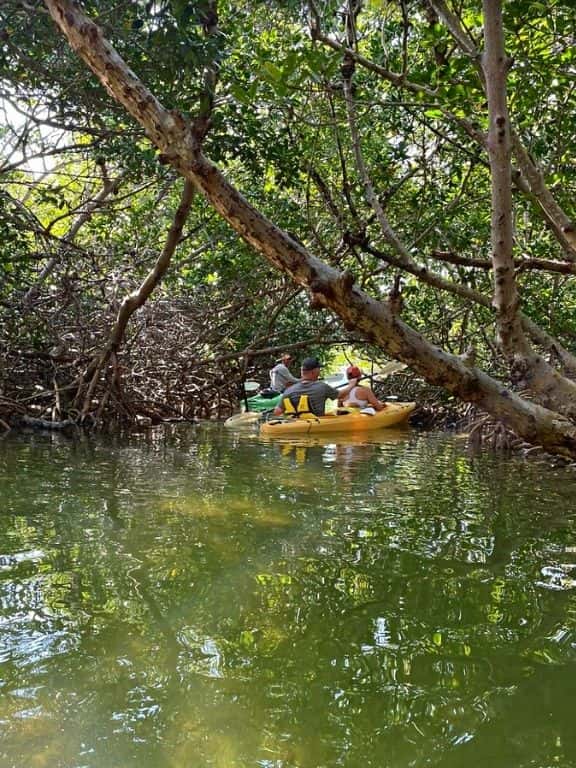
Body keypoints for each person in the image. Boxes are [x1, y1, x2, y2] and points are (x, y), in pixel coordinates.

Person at [273, 357, 359, 417]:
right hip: (316, 426)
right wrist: (351, 384)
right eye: (319, 369)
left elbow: (277, 412)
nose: (320, 371)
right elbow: (340, 395)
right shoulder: (322, 387)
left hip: (294, 426)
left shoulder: (289, 391)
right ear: (314, 372)